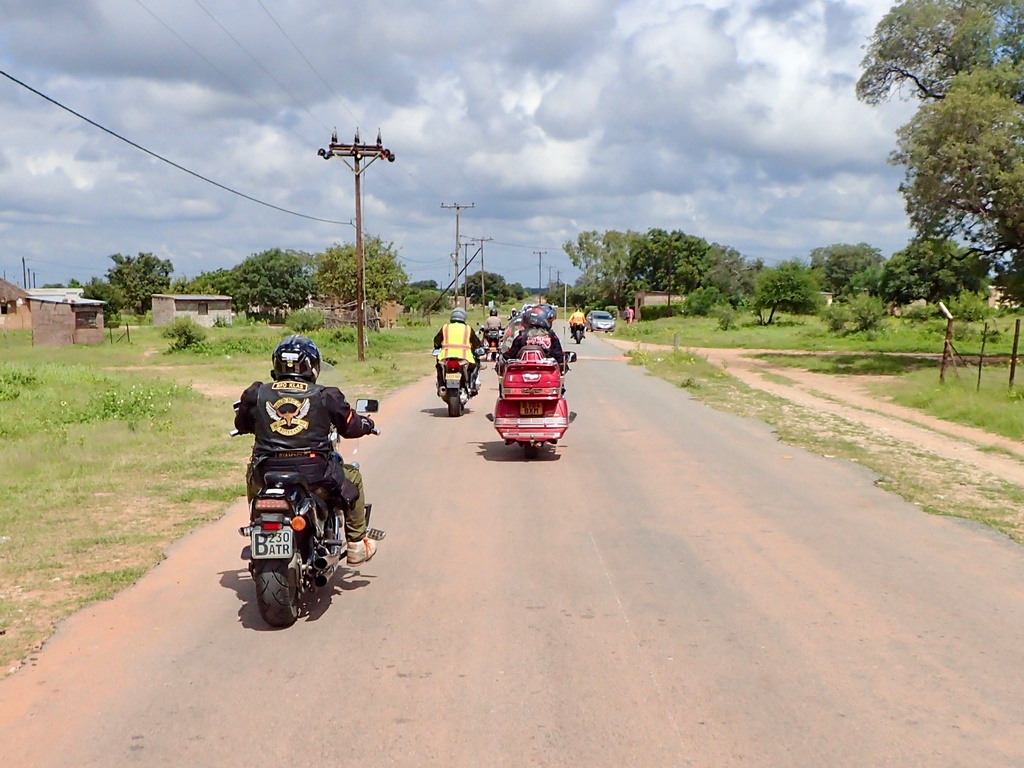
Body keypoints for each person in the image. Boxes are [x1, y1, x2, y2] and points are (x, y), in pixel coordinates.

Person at [233, 335, 378, 566]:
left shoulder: (256, 393)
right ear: (313, 366)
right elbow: (351, 426)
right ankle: (356, 545)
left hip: (267, 476)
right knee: (353, 477)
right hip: (316, 477)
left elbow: (241, 424)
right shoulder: (325, 395)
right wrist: (367, 424)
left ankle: (257, 522)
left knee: (251, 473)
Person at [433, 307, 482, 394]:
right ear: (464, 317)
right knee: (476, 365)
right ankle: (472, 385)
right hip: (465, 357)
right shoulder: (467, 329)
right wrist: (477, 347)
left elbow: (437, 341)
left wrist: (437, 346)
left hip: (446, 356)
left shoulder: (445, 327)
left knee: (439, 366)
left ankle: (441, 385)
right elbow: (476, 343)